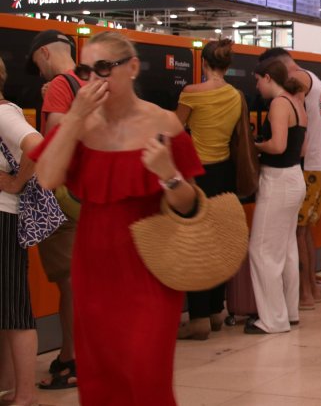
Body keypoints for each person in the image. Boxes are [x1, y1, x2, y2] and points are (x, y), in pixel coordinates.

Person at [30, 31, 204, 403]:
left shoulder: (164, 123)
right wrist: (74, 118)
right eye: (86, 71)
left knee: (146, 375)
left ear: (133, 67)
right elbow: (46, 177)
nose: (94, 79)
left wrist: (168, 174)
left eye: (104, 68)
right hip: (94, 269)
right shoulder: (82, 126)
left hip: (152, 268)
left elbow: (189, 205)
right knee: (100, 378)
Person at [174, 39, 242, 340]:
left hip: (198, 175)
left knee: (196, 244)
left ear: (203, 63)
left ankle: (199, 318)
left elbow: (174, 128)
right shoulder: (236, 95)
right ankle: (216, 310)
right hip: (225, 174)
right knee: (218, 242)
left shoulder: (192, 92)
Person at [24, 29, 80, 391]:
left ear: (45, 53)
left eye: (37, 63)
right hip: (88, 196)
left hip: (63, 197)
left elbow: (55, 140)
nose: (39, 72)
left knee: (69, 282)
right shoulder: (88, 80)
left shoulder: (60, 84)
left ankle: (71, 358)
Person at [258, 48, 321, 312]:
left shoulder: (299, 79)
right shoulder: (317, 80)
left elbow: (298, 119)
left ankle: (305, 294)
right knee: (304, 231)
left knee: (296, 233)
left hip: (310, 163)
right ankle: (311, 289)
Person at [245, 60, 308, 334]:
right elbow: (301, 149)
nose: (257, 86)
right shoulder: (297, 103)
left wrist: (254, 145)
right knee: (287, 250)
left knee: (262, 251)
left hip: (278, 181)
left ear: (269, 78)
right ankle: (289, 312)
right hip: (294, 177)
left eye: (258, 80)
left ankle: (272, 320)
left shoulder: (279, 104)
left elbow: (278, 145)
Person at [0, 56, 44, 406]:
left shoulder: (3, 113)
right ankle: (10, 385)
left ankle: (25, 394)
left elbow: (37, 145)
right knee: (6, 307)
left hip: (4, 217)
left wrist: (16, 182)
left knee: (14, 308)